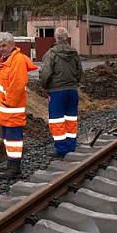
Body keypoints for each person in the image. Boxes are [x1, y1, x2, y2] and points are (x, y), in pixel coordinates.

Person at [0, 32, 37, 179]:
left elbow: (17, 85)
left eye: (4, 45)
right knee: (9, 139)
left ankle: (14, 169)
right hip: (6, 110)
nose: (1, 49)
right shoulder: (7, 60)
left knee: (14, 140)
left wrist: (8, 102)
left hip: (11, 110)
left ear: (12, 44)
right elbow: (6, 83)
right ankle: (11, 164)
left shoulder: (16, 61)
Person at [39, 26, 82, 158]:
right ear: (67, 37)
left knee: (57, 121)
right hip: (72, 91)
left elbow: (45, 73)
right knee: (71, 119)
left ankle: (61, 149)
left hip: (57, 91)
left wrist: (45, 87)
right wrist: (75, 84)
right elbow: (79, 71)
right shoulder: (74, 53)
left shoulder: (51, 54)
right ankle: (71, 146)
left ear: (56, 38)